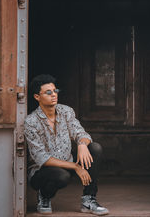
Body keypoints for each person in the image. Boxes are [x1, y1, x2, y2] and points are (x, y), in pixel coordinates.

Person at [24, 74, 109, 215]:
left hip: (67, 162)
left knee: (94, 148)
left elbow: (81, 133)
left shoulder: (66, 111)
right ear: (37, 97)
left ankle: (89, 199)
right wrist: (76, 166)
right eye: (48, 92)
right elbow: (41, 158)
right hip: (43, 171)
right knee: (62, 176)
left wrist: (81, 144)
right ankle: (44, 195)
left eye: (55, 91)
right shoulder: (31, 122)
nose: (54, 95)